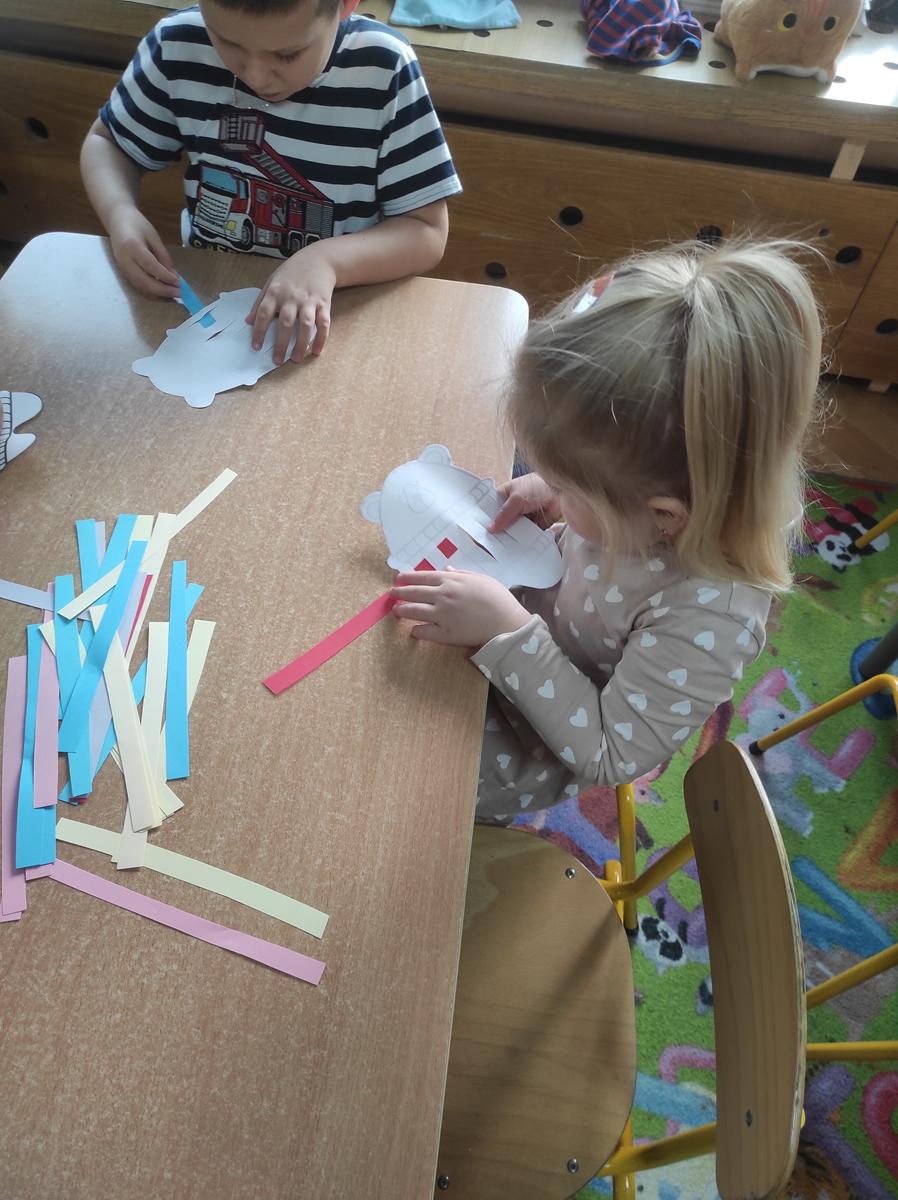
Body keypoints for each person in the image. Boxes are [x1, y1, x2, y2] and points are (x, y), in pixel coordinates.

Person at [391, 238, 823, 819]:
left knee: (384, 772)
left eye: (569, 486)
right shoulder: (649, 505)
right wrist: (554, 494)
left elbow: (610, 753)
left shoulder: (711, 619)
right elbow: (601, 523)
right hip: (506, 632)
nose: (552, 487)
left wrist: (508, 631)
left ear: (664, 517)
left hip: (521, 740)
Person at [80, 0, 461, 365]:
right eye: (227, 42)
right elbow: (108, 143)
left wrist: (326, 262)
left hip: (335, 320)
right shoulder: (177, 44)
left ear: (344, 5)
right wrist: (120, 215)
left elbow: (424, 231)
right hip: (209, 304)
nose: (255, 76)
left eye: (287, 55)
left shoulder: (384, 68)